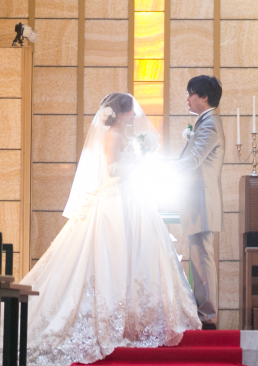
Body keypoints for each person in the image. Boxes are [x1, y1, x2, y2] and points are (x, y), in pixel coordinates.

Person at [22, 93, 199, 365]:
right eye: (131, 112)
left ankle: (136, 317)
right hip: (116, 199)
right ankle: (112, 316)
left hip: (131, 200)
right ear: (122, 112)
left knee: (139, 254)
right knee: (112, 255)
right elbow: (113, 170)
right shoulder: (113, 137)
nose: (135, 116)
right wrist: (137, 164)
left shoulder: (125, 136)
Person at [178, 75, 225, 330]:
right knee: (198, 257)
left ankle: (208, 318)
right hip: (197, 200)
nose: (188, 98)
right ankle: (204, 314)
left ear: (204, 97)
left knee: (203, 258)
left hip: (202, 200)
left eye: (190, 93)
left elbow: (194, 160)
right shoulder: (204, 122)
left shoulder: (209, 125)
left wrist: (165, 168)